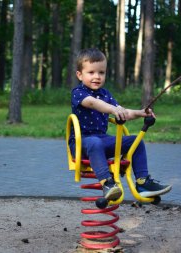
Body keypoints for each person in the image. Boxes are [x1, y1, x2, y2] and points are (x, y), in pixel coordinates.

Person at [69, 48, 171, 201]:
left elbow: (123, 112)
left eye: (101, 72)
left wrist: (141, 112)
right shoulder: (78, 92)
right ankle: (108, 183)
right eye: (91, 72)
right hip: (81, 143)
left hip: (102, 140)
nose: (97, 76)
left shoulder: (106, 94)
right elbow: (92, 103)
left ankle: (142, 182)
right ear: (79, 75)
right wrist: (113, 109)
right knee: (94, 142)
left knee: (135, 141)